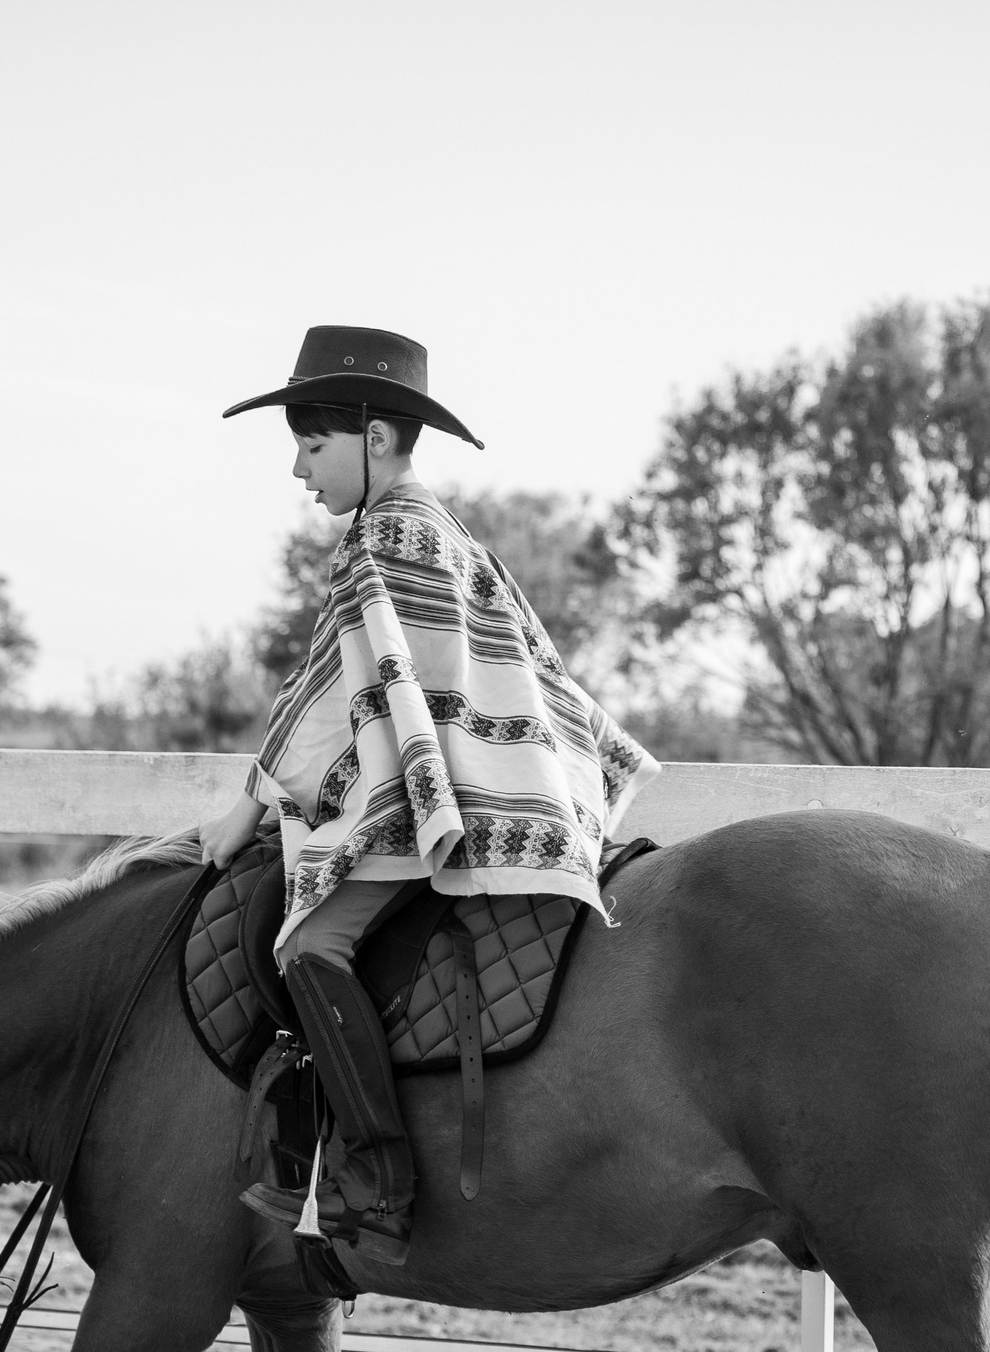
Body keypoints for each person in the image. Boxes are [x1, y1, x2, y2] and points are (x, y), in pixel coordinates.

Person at [200, 325, 655, 1266]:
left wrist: (248, 806)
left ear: (374, 437)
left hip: (443, 797)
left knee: (309, 944)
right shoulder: (430, 528)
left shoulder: (387, 538)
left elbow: (325, 696)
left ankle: (377, 1175)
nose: (298, 470)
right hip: (480, 774)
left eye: (312, 445)